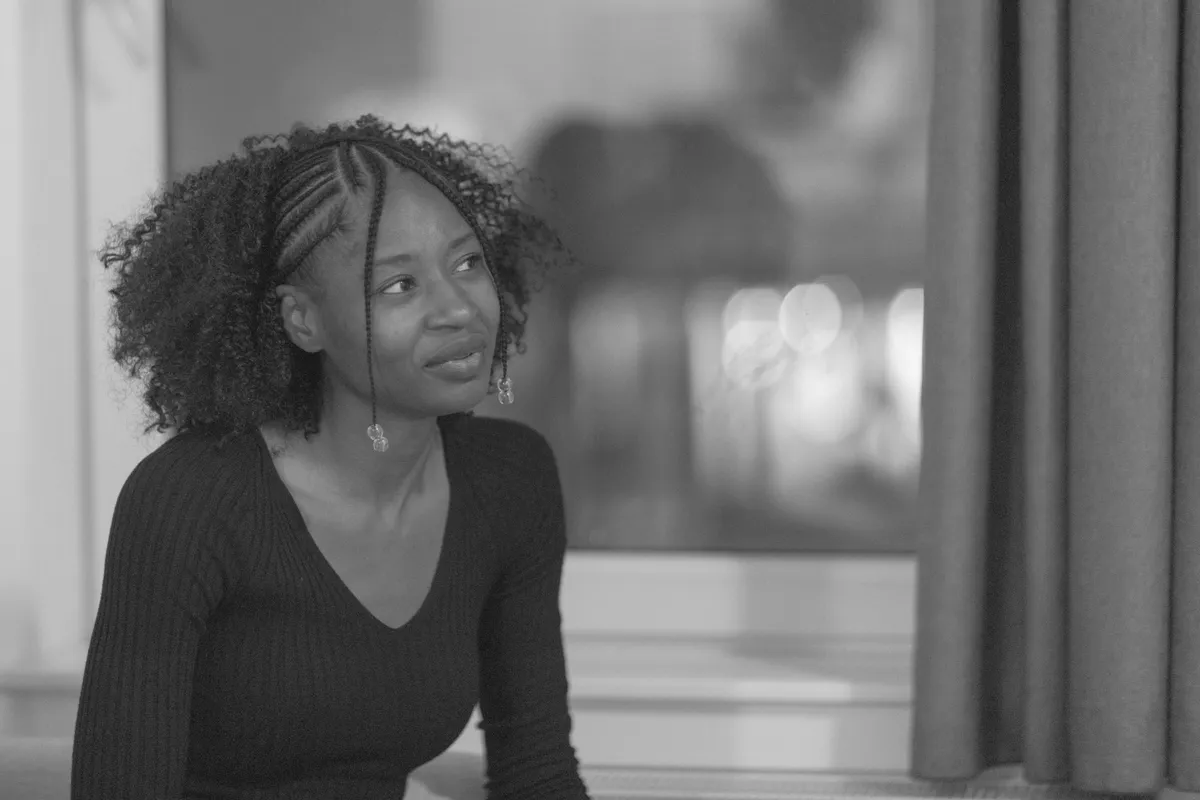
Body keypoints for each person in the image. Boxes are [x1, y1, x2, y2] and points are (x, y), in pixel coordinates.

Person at [70, 115, 590, 800]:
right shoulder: (191, 499)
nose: (459, 309)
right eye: (399, 286)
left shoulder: (509, 480)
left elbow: (537, 774)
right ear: (302, 319)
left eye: (467, 264)